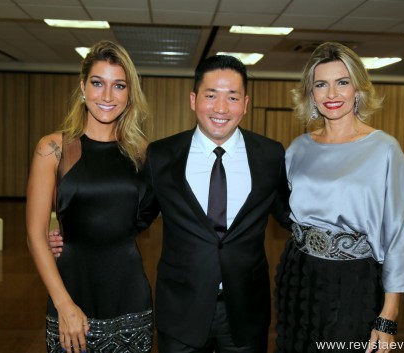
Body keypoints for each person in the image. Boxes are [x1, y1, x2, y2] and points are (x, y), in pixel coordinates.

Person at [50, 54, 292, 353]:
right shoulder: (162, 156)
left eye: (232, 97)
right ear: (193, 100)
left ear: (245, 104)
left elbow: (290, 215)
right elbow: (134, 219)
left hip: (246, 314)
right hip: (180, 313)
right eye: (210, 95)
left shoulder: (269, 155)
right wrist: (72, 236)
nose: (220, 108)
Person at [274, 42, 404, 353]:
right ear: (311, 95)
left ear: (358, 91)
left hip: (354, 279)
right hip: (298, 274)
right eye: (321, 85)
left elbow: (397, 234)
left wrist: (389, 315)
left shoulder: (385, 150)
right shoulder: (298, 148)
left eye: (342, 82)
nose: (332, 94)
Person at [26, 40, 153, 353]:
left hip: (130, 297)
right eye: (98, 83)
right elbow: (34, 233)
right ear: (83, 87)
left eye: (118, 86)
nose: (107, 96)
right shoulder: (53, 148)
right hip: (71, 294)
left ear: (129, 94)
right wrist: (64, 304)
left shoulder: (142, 153)